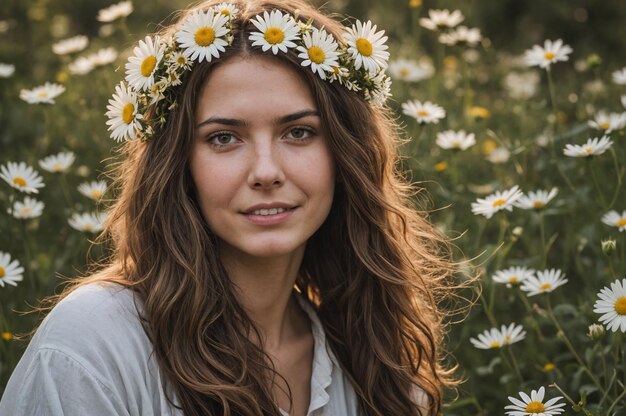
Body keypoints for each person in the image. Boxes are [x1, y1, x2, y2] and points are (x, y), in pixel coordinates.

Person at [0, 0, 457, 415]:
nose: (266, 171)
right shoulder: (93, 346)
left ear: (345, 154)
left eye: (298, 132)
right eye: (224, 138)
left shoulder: (374, 362)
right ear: (180, 165)